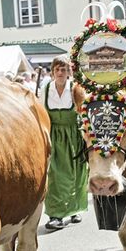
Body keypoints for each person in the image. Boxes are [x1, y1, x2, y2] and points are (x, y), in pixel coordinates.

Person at [39, 56, 89, 230]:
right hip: (54, 136)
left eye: (63, 69)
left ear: (69, 72)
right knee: (55, 176)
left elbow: (84, 113)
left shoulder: (76, 89)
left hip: (74, 135)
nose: (60, 73)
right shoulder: (45, 90)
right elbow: (40, 114)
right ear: (52, 72)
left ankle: (75, 209)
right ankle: (56, 214)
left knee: (77, 174)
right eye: (57, 70)